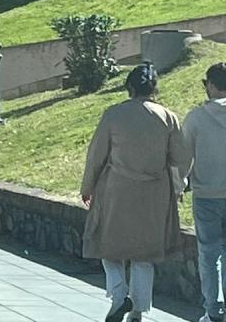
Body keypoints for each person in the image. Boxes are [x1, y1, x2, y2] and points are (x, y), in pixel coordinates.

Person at [81, 63, 189, 322]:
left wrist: (88, 186)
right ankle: (138, 311)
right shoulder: (167, 116)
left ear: (129, 87)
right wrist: (178, 185)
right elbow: (181, 157)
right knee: (145, 254)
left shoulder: (113, 114)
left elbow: (96, 155)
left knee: (108, 247)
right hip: (155, 194)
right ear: (154, 88)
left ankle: (119, 295)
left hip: (116, 190)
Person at [183, 63, 226, 322]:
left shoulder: (196, 117)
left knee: (209, 254)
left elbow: (183, 157)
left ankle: (214, 309)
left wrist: (181, 183)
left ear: (211, 84)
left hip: (206, 195)